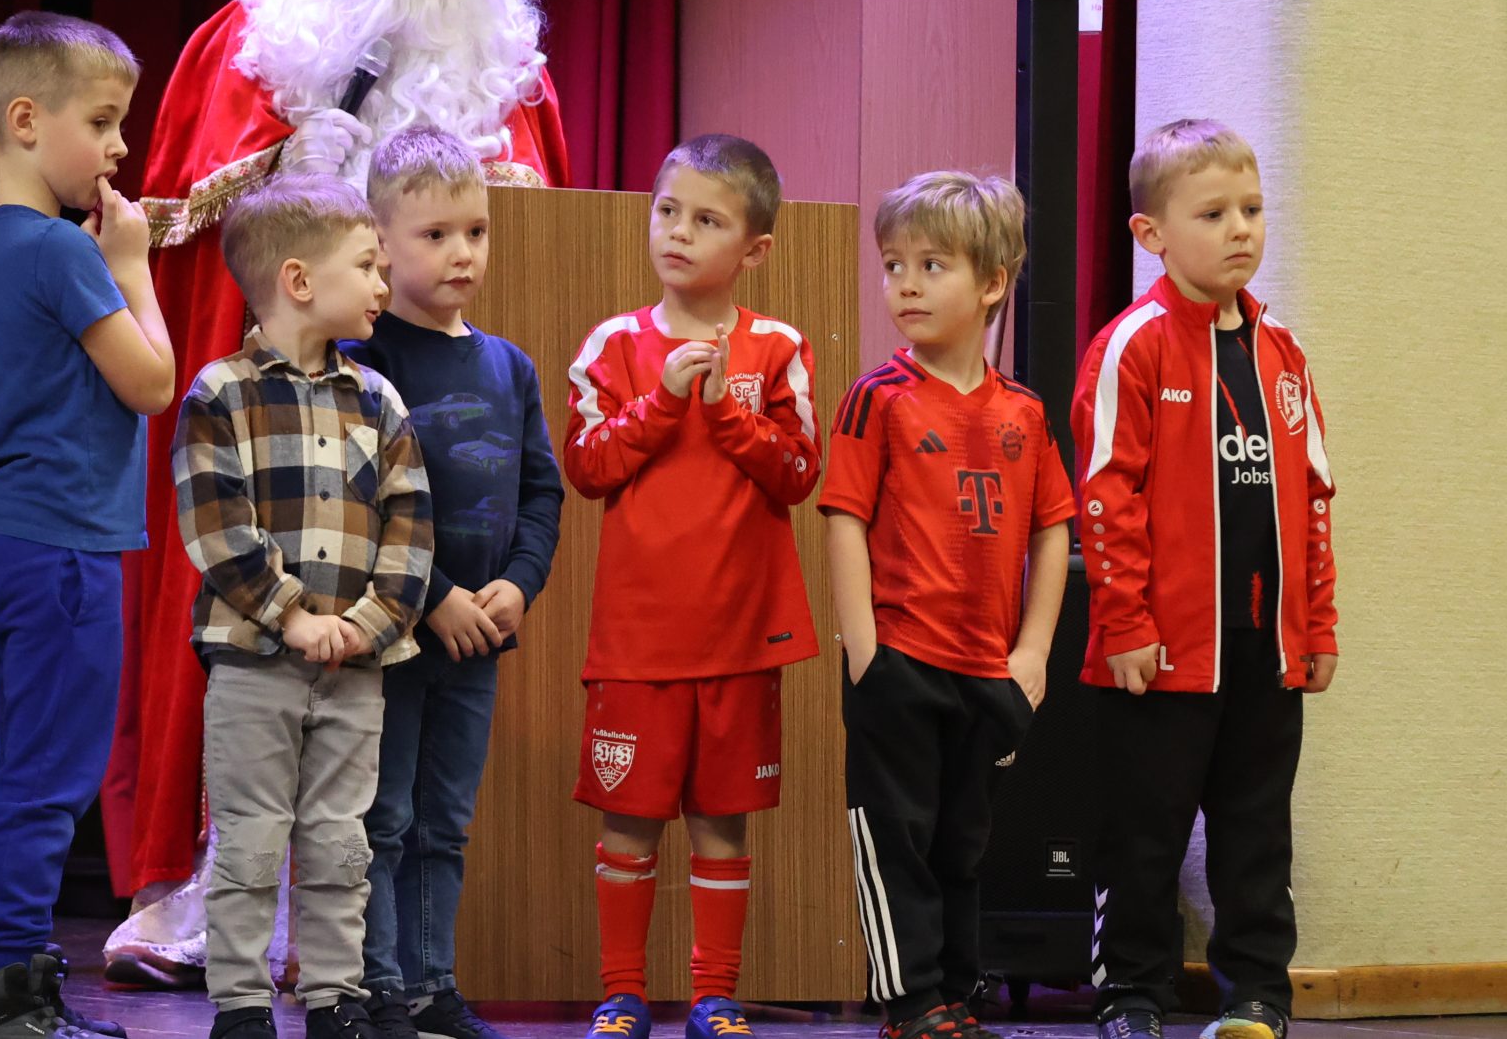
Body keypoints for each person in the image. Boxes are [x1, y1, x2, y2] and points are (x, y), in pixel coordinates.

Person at [109, 0, 571, 1001]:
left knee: (414, 743)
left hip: (441, 431)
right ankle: (218, 905)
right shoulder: (258, 42)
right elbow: (183, 223)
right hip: (291, 431)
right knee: (280, 672)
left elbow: (552, 232)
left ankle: (396, 952)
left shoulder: (508, 70)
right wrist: (285, 166)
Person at [1074, 121, 1339, 1039]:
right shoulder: (1133, 346)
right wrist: (1125, 622)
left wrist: (1319, 625)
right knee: (1143, 837)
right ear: (1151, 233)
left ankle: (1257, 994)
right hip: (1160, 653)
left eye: (1252, 210)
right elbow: (1105, 496)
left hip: (1267, 656)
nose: (1240, 230)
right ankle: (1131, 994)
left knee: (1257, 832)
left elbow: (1313, 495)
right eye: (1214, 213)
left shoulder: (1283, 352)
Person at [561, 135, 821, 1039]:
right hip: (636, 641)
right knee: (628, 822)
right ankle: (621, 993)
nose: (677, 231)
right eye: (667, 210)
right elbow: (587, 466)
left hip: (742, 639)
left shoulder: (778, 348)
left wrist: (726, 413)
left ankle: (715, 995)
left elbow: (800, 471)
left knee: (722, 823)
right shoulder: (614, 344)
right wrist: (663, 402)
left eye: (707, 219)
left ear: (754, 249)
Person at [0, 13, 174, 1039]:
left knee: (24, 763)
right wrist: (132, 266)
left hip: (12, 537)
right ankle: (7, 996)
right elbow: (152, 381)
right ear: (27, 120)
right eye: (104, 121)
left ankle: (11, 978)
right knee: (48, 775)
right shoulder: (58, 250)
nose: (120, 147)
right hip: (62, 547)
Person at [819, 173, 1075, 1039]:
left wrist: (1032, 653)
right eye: (895, 265)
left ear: (993, 281)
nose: (907, 284)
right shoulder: (877, 398)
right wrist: (865, 652)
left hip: (987, 672)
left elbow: (1051, 530)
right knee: (896, 840)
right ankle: (911, 1000)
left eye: (932, 265)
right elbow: (845, 519)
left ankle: (956, 996)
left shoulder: (1025, 413)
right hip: (899, 663)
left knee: (962, 842)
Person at [176, 176, 432, 1039]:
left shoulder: (379, 401)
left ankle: (334, 997)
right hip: (254, 663)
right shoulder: (220, 394)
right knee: (250, 838)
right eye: (367, 265)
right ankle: (242, 1003)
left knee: (340, 840)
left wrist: (365, 624)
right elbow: (217, 526)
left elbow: (411, 526)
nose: (383, 283)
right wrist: (290, 614)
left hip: (355, 668)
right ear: (298, 279)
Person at [335, 128, 561, 1039]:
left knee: (445, 821)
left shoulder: (510, 366)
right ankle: (378, 987)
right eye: (436, 234)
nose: (462, 251)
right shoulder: (363, 360)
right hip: (394, 634)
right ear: (381, 241)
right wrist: (434, 596)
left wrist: (519, 584)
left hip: (479, 640)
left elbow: (540, 490)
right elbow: (359, 499)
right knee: (383, 817)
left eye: (475, 230)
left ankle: (433, 982)